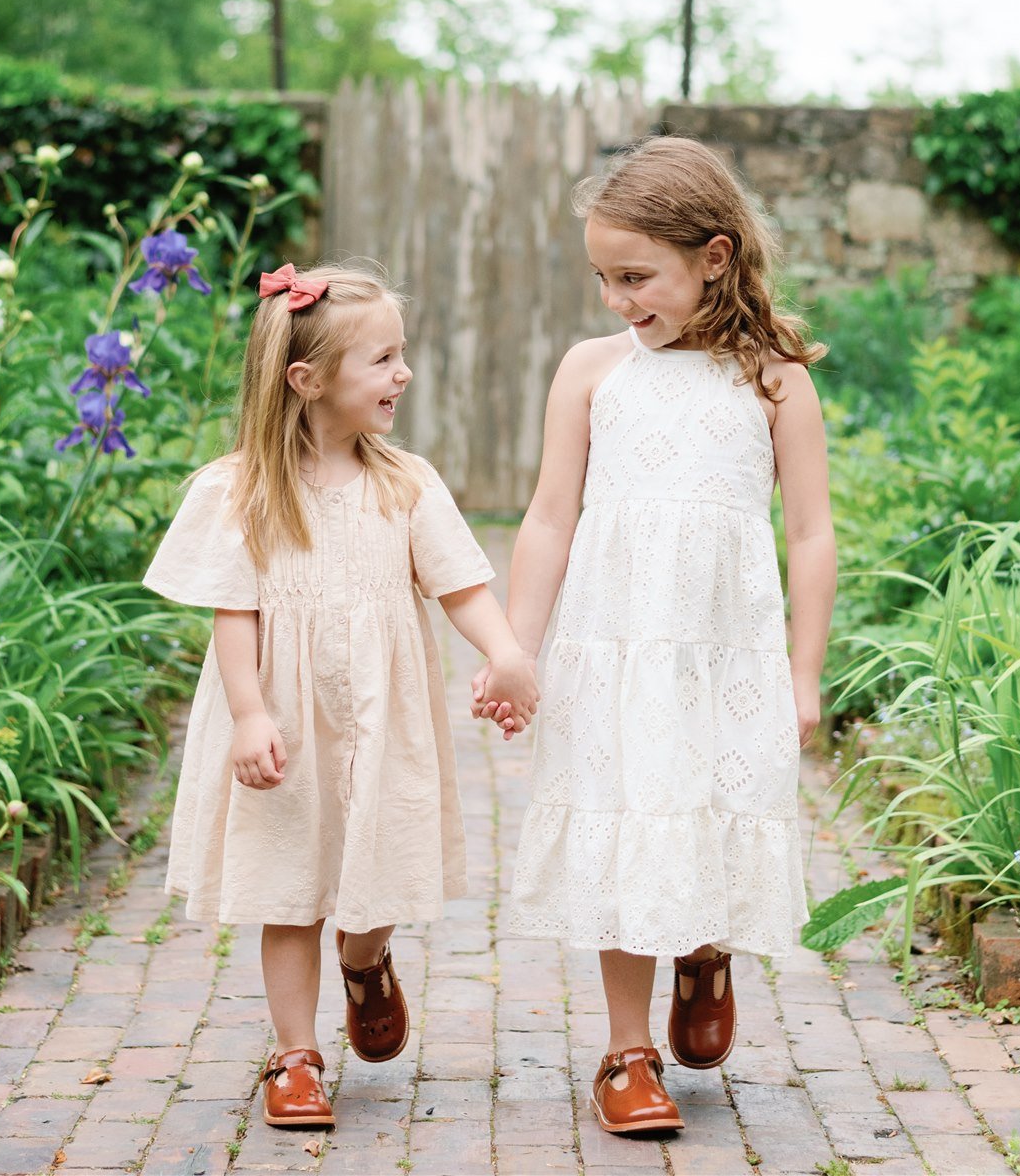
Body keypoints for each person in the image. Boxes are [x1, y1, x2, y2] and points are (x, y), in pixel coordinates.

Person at [474, 137, 835, 1137]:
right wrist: (518, 646)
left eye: (634, 276)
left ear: (712, 256)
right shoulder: (592, 371)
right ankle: (625, 1052)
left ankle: (704, 944)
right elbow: (549, 515)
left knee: (712, 800)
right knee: (619, 818)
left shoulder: (772, 379)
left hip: (722, 647)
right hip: (610, 641)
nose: (614, 299)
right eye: (602, 276)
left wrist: (802, 672)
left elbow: (808, 530)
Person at [144, 262, 537, 1132]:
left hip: (380, 718)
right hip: (281, 722)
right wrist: (249, 713)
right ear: (307, 380)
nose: (402, 374)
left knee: (378, 870)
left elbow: (461, 584)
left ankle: (366, 963)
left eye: (401, 356)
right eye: (382, 360)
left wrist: (505, 651)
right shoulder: (242, 490)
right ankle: (295, 1056)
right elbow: (234, 614)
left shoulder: (406, 483)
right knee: (288, 889)